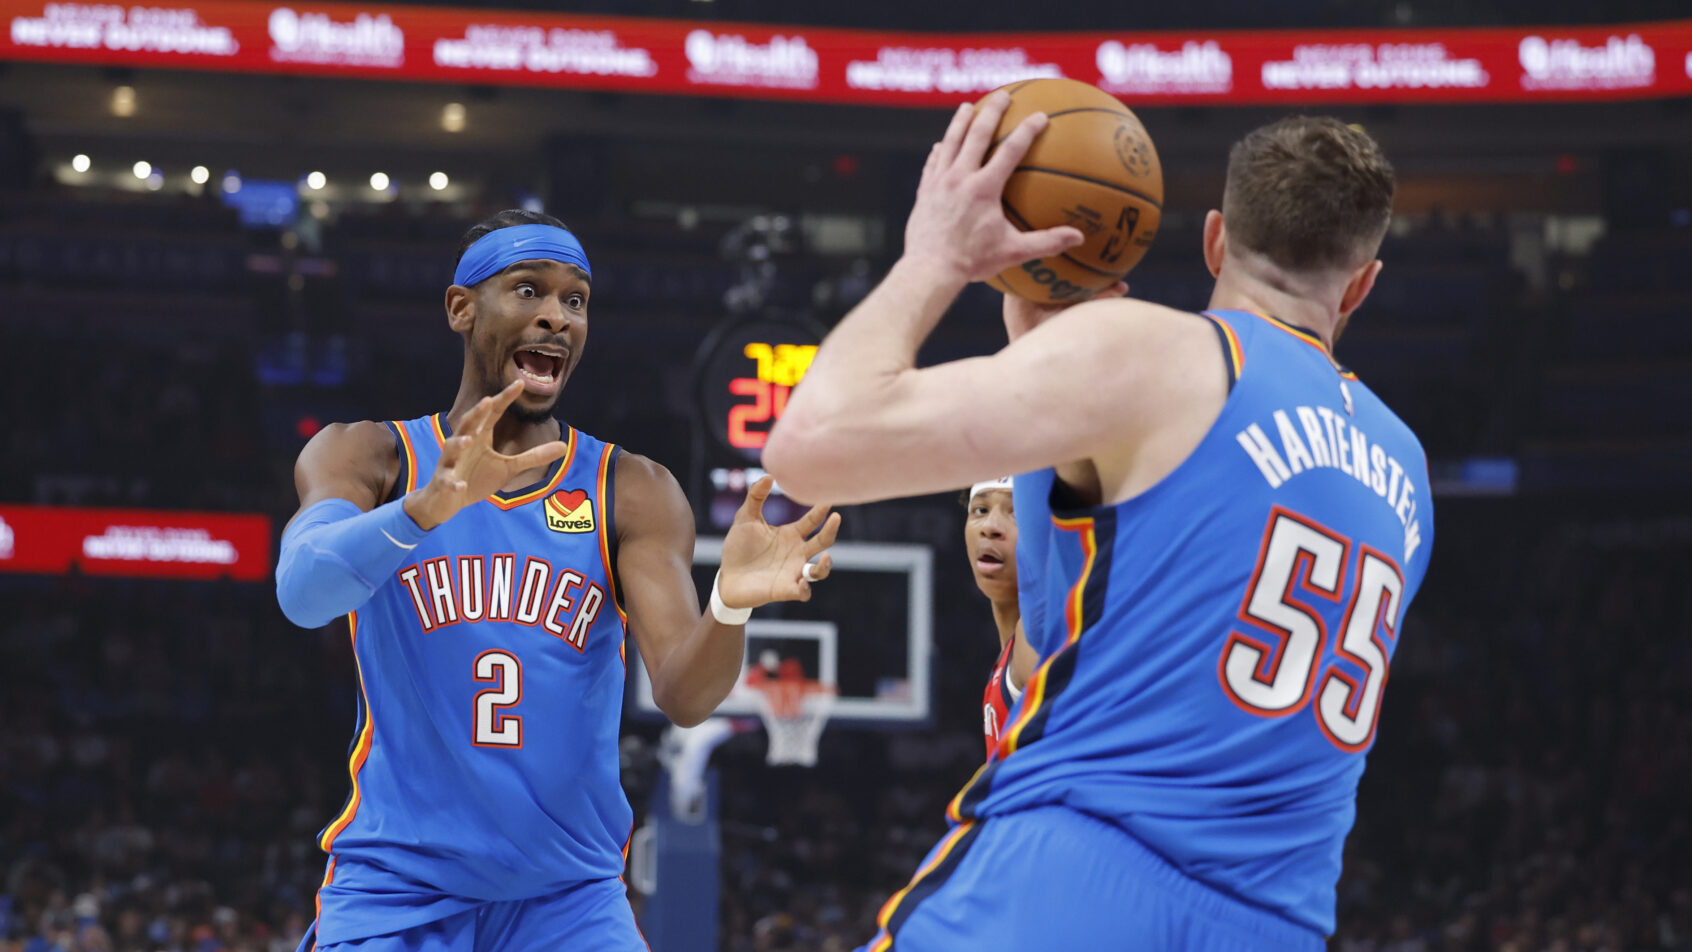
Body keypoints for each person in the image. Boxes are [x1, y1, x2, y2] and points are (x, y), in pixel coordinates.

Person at [765, 96, 1432, 949]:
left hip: (1078, 881)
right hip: (1279, 921)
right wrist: (1055, 434)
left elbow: (810, 450)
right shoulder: (1403, 467)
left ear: (1216, 239)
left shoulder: (1157, 353)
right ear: (1363, 284)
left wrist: (936, 258)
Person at [275, 209, 840, 952]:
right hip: (397, 887)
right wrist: (423, 511)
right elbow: (303, 593)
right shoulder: (373, 458)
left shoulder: (628, 488)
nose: (555, 316)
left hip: (566, 900)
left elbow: (685, 694)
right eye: (528, 291)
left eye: (575, 300)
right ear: (461, 307)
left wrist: (730, 605)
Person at [962, 477, 1036, 758]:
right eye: (980, 511)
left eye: (1016, 512)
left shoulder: (1038, 634)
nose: (990, 528)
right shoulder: (1008, 654)